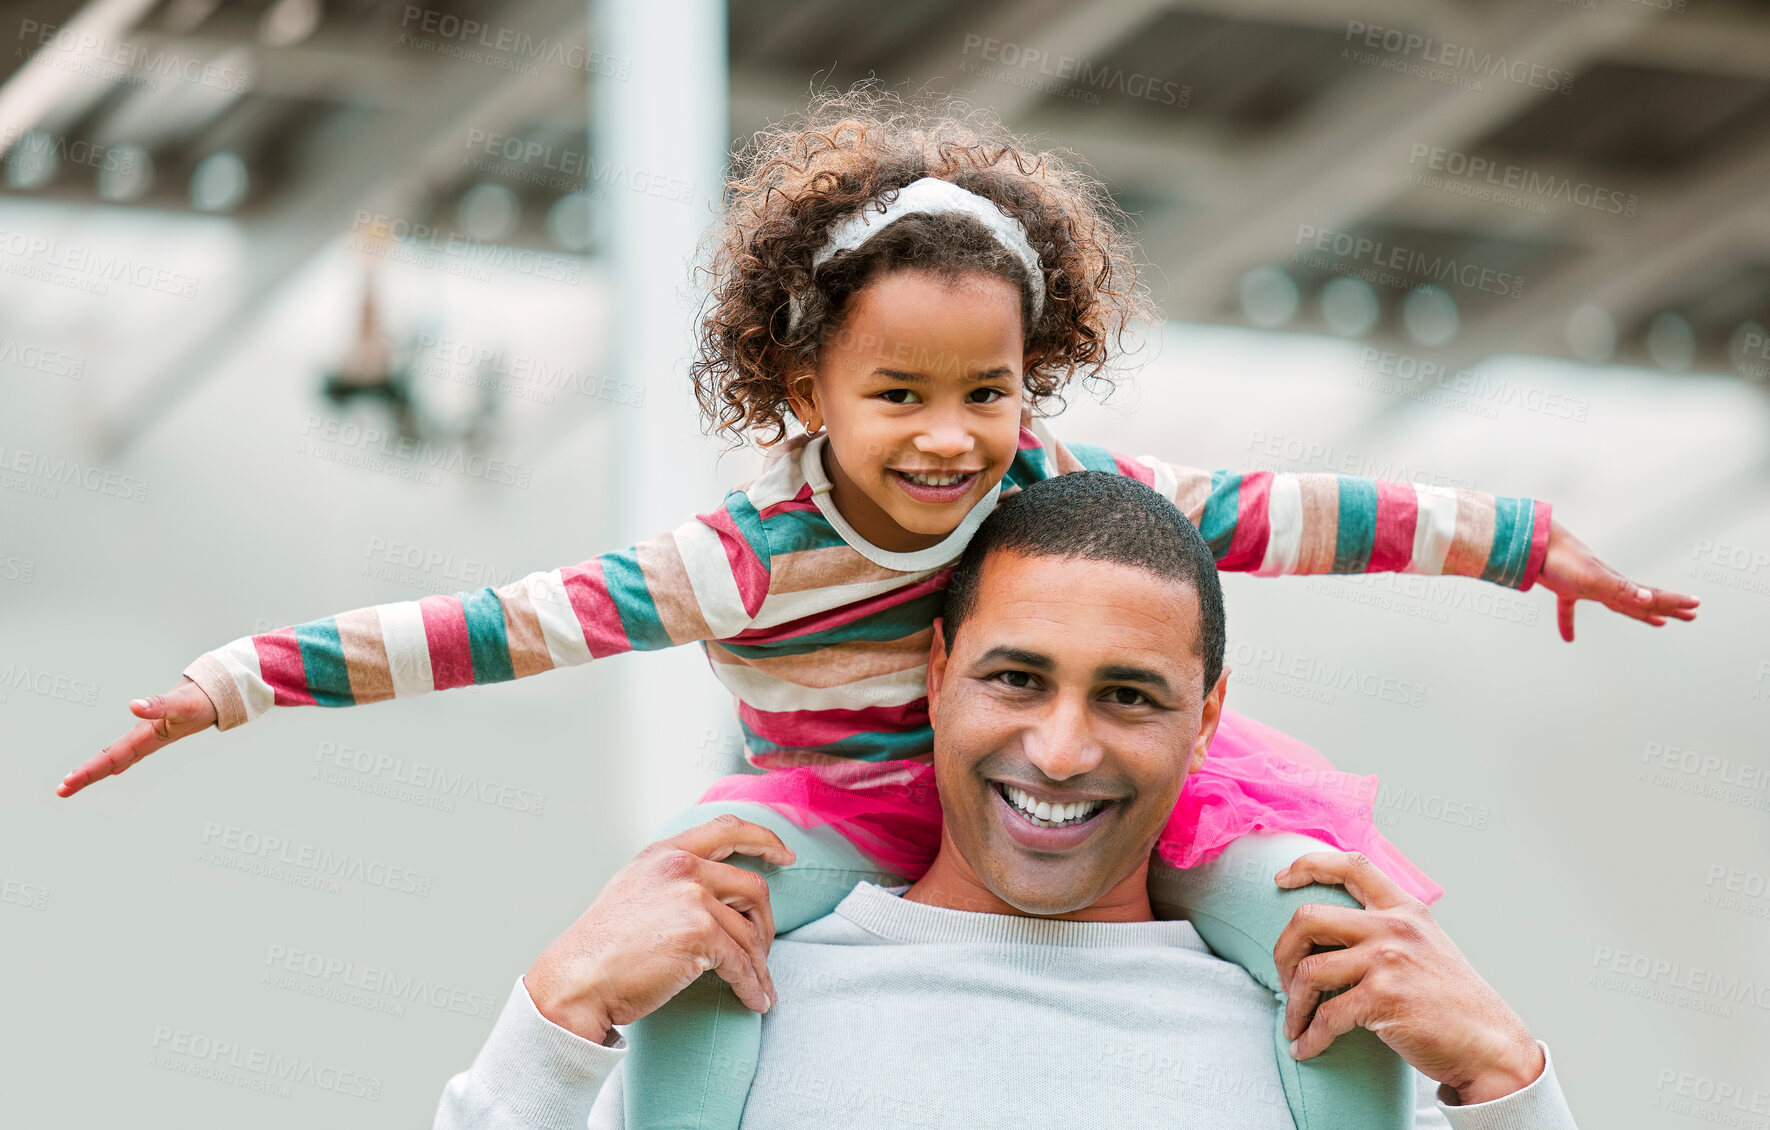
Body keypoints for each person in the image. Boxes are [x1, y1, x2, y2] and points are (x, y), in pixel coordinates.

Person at [63, 88, 1670, 1129]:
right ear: (800, 385)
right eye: (897, 391)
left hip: (1241, 897)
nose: (951, 436)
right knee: (704, 931)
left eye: (985, 389)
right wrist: (236, 681)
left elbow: (1315, 515)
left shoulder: (1077, 485)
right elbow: (498, 624)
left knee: (1323, 919)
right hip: (831, 811)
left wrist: (1526, 542)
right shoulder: (743, 568)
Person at [433, 472, 1580, 1129]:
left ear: (1210, 716)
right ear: (937, 674)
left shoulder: (1323, 1036)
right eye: (1016, 677)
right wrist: (555, 1007)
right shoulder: (734, 998)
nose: (1063, 747)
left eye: (1128, 695)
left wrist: (1510, 1081)